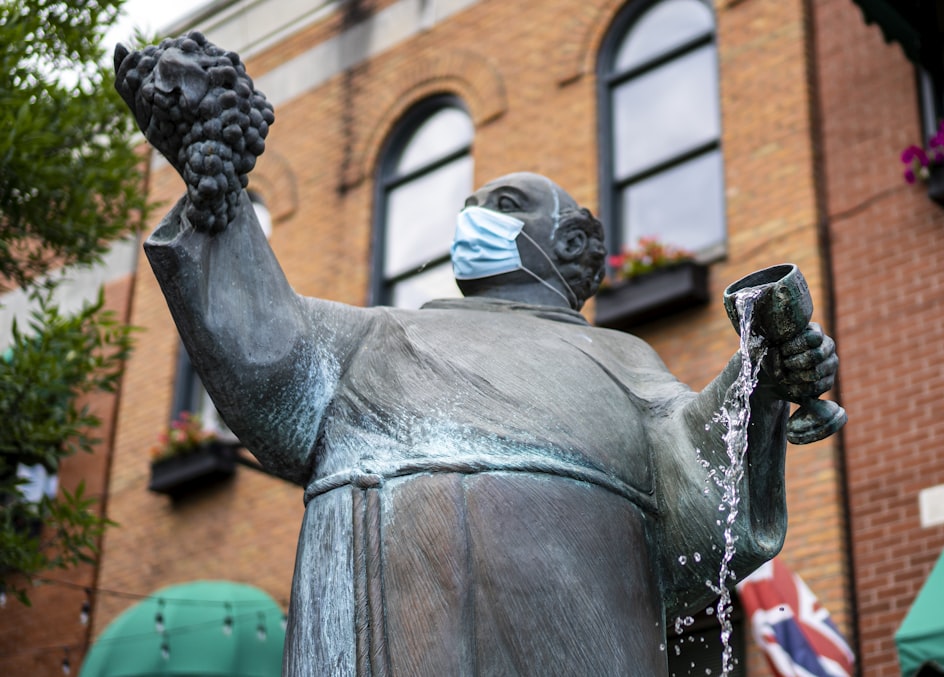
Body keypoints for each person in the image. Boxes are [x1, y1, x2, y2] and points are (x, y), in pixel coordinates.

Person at [119, 37, 839, 677]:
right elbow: (267, 361)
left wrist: (762, 377)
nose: (473, 218)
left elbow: (697, 496)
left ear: (573, 247)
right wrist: (217, 189)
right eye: (471, 204)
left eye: (503, 204)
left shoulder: (622, 359)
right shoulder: (367, 336)